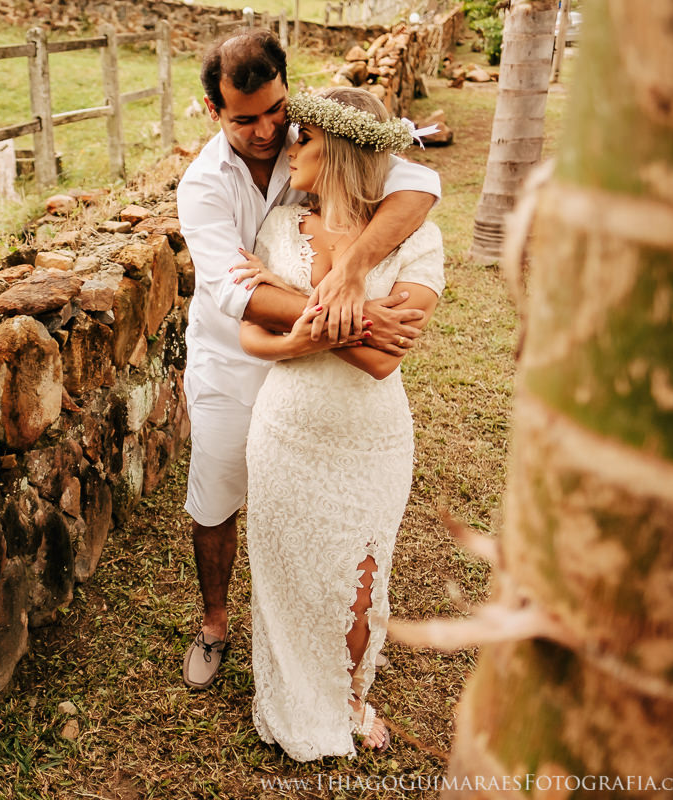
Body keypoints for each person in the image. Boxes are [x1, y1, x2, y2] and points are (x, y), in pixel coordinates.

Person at [177, 28, 441, 693]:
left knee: (298, 508)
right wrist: (360, 319)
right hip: (233, 356)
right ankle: (213, 622)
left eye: (275, 110)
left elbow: (417, 182)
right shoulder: (202, 186)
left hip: (316, 368)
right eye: (246, 119)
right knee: (216, 494)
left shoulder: (314, 137)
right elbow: (240, 294)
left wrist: (352, 269)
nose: (267, 130)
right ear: (214, 112)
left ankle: (308, 637)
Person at [236, 86, 445, 758]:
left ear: (343, 147)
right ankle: (290, 699)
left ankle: (350, 702)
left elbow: (385, 361)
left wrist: (294, 310)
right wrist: (323, 327)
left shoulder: (418, 235)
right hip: (286, 430)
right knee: (288, 573)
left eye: (305, 140)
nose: (288, 149)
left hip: (369, 436)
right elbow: (249, 334)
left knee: (360, 581)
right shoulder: (275, 228)